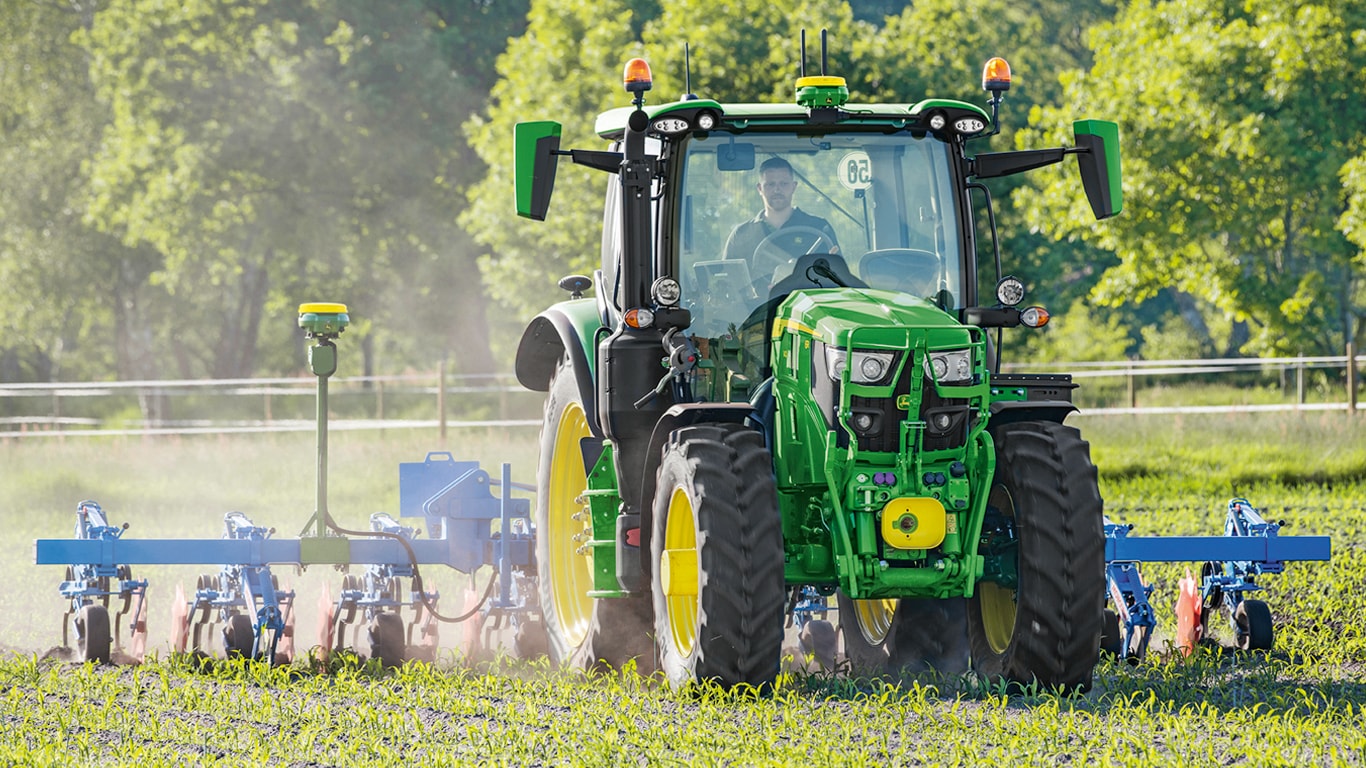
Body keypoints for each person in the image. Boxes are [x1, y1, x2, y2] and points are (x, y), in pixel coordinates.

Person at [722, 157, 840, 274]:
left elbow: (838, 276)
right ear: (760, 188)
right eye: (770, 184)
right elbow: (727, 279)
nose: (777, 190)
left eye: (783, 184)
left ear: (794, 187)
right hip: (759, 288)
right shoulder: (742, 234)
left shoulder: (819, 228)